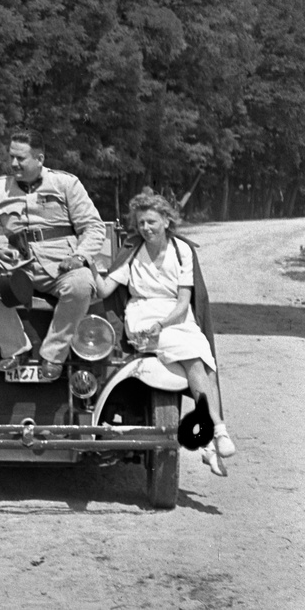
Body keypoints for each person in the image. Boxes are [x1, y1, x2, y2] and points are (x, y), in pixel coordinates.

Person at [96, 189, 235, 466]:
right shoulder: (133, 252)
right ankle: (217, 429)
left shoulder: (181, 250)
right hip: (143, 318)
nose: (146, 228)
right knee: (194, 357)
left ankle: (209, 441)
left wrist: (164, 324)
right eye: (141, 223)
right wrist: (89, 263)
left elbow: (184, 303)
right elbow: (103, 290)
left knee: (208, 364)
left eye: (152, 222)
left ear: (167, 222)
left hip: (174, 318)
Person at [0, 131, 106, 381]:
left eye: (21, 158)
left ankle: (52, 355)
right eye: (12, 157)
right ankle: (15, 349)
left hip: (61, 263)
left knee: (82, 283)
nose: (14, 164)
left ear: (39, 158)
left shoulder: (66, 184)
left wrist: (80, 257)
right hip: (17, 264)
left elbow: (93, 227)